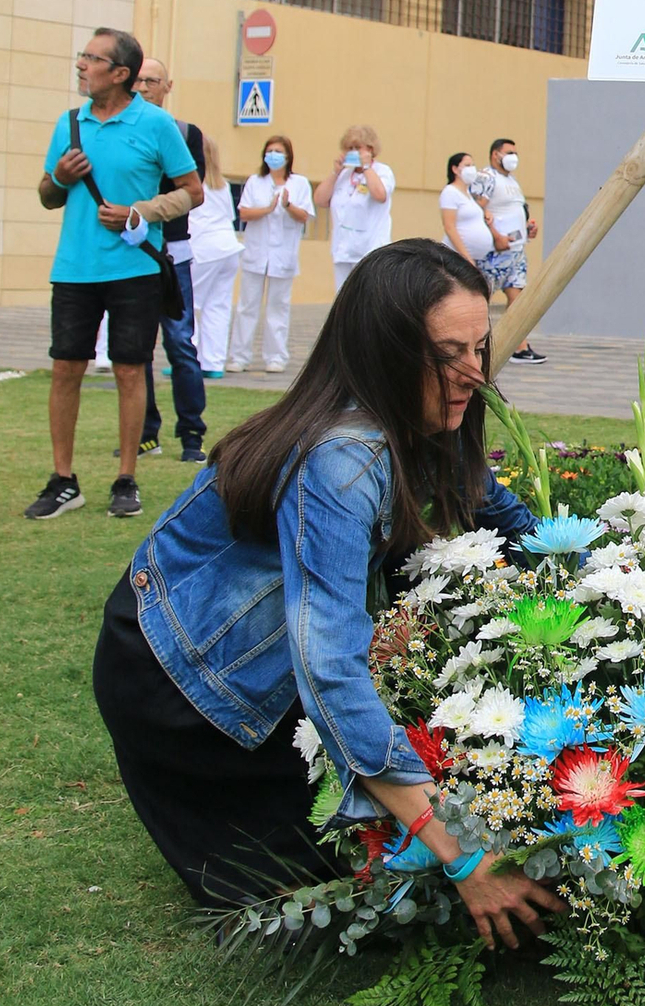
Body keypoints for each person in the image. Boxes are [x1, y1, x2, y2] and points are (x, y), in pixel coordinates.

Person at [92, 240, 564, 946]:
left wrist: (607, 579)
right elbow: (330, 668)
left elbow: (510, 523)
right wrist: (462, 849)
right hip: (184, 686)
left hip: (264, 666)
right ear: (388, 352)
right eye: (450, 352)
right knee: (357, 908)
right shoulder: (340, 461)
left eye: (481, 345)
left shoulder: (427, 415)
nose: (476, 372)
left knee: (405, 869)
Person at [27, 28, 201, 522]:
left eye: (91, 57)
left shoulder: (156, 124)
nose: (81, 64)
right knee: (66, 369)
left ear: (121, 73)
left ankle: (126, 478)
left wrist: (140, 211)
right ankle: (63, 481)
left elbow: (193, 191)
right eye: (82, 55)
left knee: (130, 370)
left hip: (134, 268)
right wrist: (60, 175)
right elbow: (46, 193)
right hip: (75, 268)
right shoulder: (69, 122)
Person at [133, 56, 209, 464]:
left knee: (180, 343)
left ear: (168, 85)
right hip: (134, 252)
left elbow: (188, 193)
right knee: (136, 347)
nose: (144, 86)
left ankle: (191, 434)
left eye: (153, 80)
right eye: (139, 79)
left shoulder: (184, 133)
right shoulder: (123, 133)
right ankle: (146, 433)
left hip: (174, 253)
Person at [227, 136, 314, 373]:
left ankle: (276, 356)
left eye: (278, 151)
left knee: (278, 307)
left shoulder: (299, 184)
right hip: (256, 254)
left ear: (288, 157)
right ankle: (239, 356)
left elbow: (304, 216)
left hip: (283, 256)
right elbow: (243, 213)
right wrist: (267, 209)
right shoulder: (255, 181)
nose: (273, 155)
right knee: (247, 306)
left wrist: (286, 205)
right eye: (270, 151)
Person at [473, 136, 544, 361]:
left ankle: (518, 346)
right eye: (509, 152)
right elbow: (476, 211)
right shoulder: (487, 178)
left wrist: (526, 228)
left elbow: (511, 211)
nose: (514, 157)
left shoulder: (512, 182)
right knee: (480, 299)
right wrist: (495, 236)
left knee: (518, 299)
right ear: (496, 154)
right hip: (494, 253)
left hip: (515, 251)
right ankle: (476, 344)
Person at [314, 125, 394, 292]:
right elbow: (320, 200)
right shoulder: (344, 174)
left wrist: (366, 168)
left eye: (357, 148)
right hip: (343, 249)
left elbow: (380, 195)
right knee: (343, 300)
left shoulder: (382, 171)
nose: (352, 151)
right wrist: (335, 173)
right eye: (349, 148)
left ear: (371, 149)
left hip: (369, 250)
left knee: (367, 300)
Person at [188, 135, 242, 377]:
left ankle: (188, 359)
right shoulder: (221, 185)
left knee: (190, 304)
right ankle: (213, 362)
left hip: (204, 249)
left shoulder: (192, 185)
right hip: (229, 248)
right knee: (218, 306)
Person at [440, 151, 496, 273]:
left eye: (472, 165)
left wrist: (485, 213)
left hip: (475, 259)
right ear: (455, 169)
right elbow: (449, 227)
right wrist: (466, 257)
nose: (472, 169)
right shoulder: (450, 192)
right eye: (467, 165)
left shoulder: (468, 195)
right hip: (458, 257)